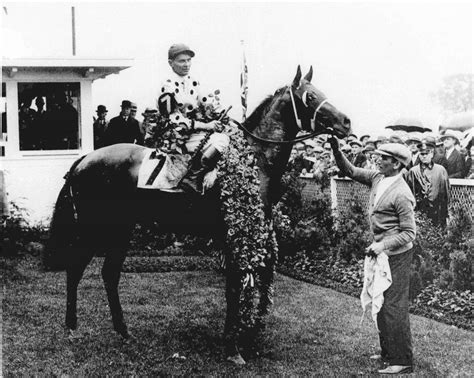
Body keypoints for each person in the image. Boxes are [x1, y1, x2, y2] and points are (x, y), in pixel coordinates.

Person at [329, 137, 416, 375]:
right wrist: (336, 150)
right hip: (382, 253)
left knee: (393, 306)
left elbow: (409, 233)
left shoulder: (402, 193)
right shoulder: (378, 178)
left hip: (397, 255)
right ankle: (387, 352)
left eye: (384, 158)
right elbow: (350, 170)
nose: (379, 160)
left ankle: (403, 360)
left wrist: (382, 245)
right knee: (380, 301)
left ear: (397, 164)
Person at [158, 43, 230, 192]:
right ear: (170, 63)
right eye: (182, 61)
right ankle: (192, 179)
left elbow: (208, 102)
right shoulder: (167, 85)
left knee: (227, 137)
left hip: (194, 132)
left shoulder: (193, 81)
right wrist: (206, 126)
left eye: (189, 60)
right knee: (221, 140)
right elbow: (174, 119)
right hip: (175, 135)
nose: (186, 64)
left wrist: (224, 116)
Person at [406, 138, 450, 228]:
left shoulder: (440, 170)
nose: (424, 156)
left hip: (437, 211)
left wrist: (446, 212)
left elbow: (446, 192)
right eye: (422, 154)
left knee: (438, 234)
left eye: (427, 153)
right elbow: (409, 193)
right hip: (420, 210)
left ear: (432, 154)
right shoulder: (413, 171)